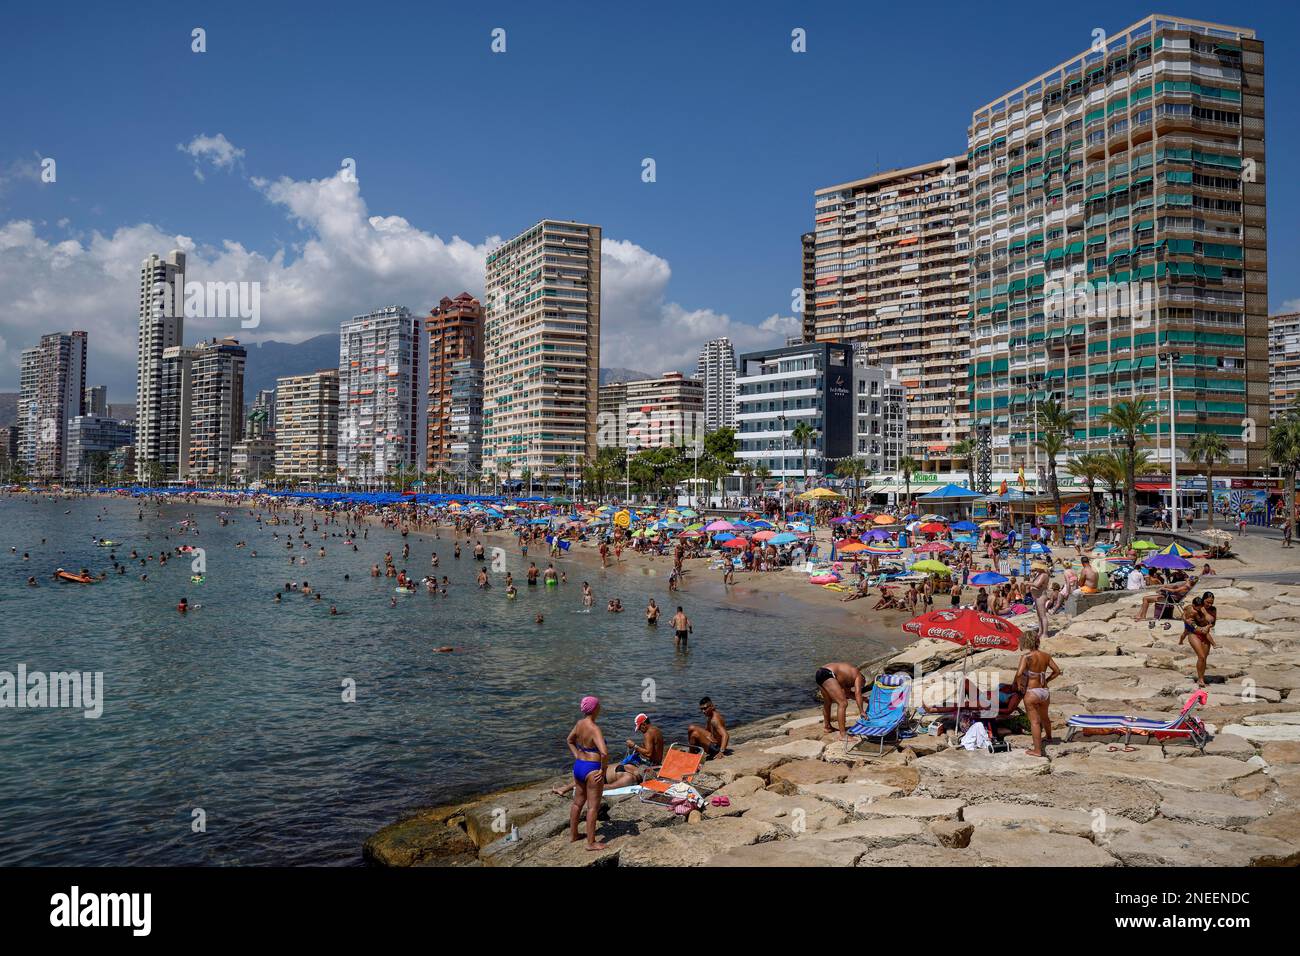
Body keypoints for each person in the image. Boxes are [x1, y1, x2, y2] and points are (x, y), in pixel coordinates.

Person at [565, 696, 609, 850]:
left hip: (579, 766)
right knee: (592, 807)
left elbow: (569, 740)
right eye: (599, 706)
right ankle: (591, 843)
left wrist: (577, 755)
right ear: (595, 709)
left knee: (577, 803)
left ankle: (574, 835)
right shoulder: (594, 728)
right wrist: (603, 771)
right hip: (592, 768)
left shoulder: (579, 724)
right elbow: (604, 753)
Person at [1015, 632, 1060, 757]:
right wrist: (1047, 680)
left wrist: (1020, 685)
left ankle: (1037, 750)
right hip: (1044, 691)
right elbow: (1057, 671)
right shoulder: (1046, 656)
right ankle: (1049, 737)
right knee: (1045, 717)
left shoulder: (1026, 657)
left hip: (1032, 692)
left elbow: (1019, 674)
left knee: (1034, 722)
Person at [815, 662, 865, 740]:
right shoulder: (858, 676)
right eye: (862, 685)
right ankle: (843, 735)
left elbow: (847, 693)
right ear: (863, 679)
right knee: (843, 703)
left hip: (820, 672)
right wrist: (862, 711)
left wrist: (864, 699)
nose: (861, 686)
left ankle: (827, 727)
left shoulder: (847, 676)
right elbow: (857, 693)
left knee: (827, 701)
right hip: (828, 674)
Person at [1181, 593, 1216, 687]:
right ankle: (1200, 679)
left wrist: (1208, 626)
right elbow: (1183, 614)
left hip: (1205, 634)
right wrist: (1185, 620)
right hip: (1194, 634)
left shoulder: (1212, 610)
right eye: (1207, 602)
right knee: (1201, 656)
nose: (1209, 604)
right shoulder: (1193, 607)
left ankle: (1201, 677)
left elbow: (1213, 622)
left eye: (1211, 603)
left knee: (1204, 658)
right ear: (1203, 600)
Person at [1028, 561, 1051, 638]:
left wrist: (1028, 583)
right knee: (1039, 615)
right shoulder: (1040, 574)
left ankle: (1045, 633)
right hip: (1037, 596)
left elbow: (1037, 585)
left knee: (1043, 615)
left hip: (1041, 596)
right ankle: (1041, 631)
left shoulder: (1043, 575)